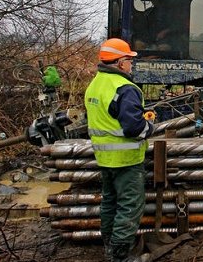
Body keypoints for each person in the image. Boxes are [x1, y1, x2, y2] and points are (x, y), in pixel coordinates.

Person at [84, 38, 154, 262]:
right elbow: (134, 128)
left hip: (104, 158)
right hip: (126, 159)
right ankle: (122, 256)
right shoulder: (125, 88)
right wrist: (149, 127)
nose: (131, 64)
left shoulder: (95, 84)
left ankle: (109, 246)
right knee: (129, 206)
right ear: (121, 62)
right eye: (130, 60)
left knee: (110, 202)